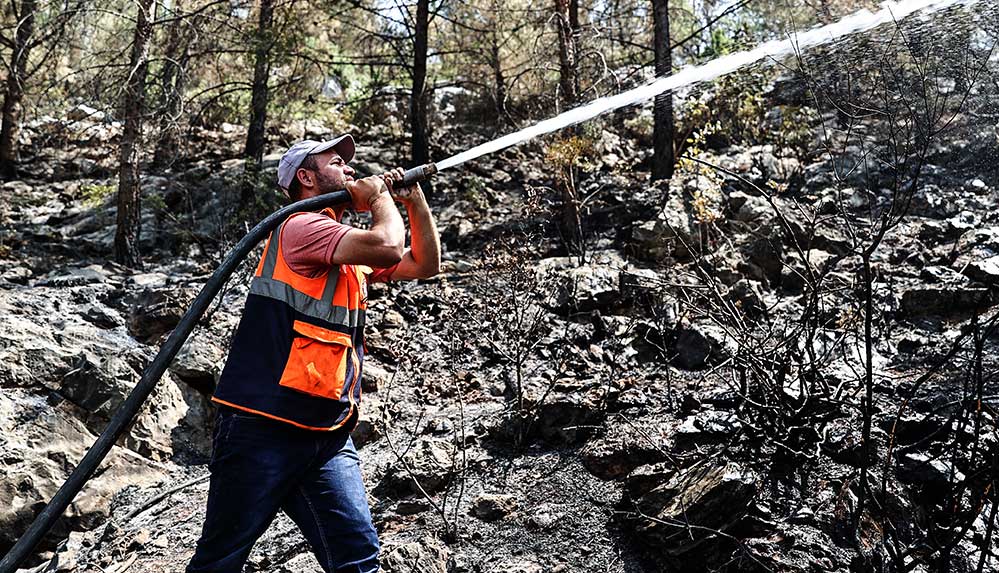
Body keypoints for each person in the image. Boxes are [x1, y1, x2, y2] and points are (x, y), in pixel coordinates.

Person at [187, 134, 441, 573]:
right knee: (219, 563)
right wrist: (379, 196)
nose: (348, 167)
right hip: (262, 427)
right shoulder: (301, 228)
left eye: (348, 162)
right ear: (306, 177)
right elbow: (385, 243)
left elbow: (424, 264)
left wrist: (413, 200)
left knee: (357, 560)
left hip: (324, 430)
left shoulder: (342, 247)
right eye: (335, 160)